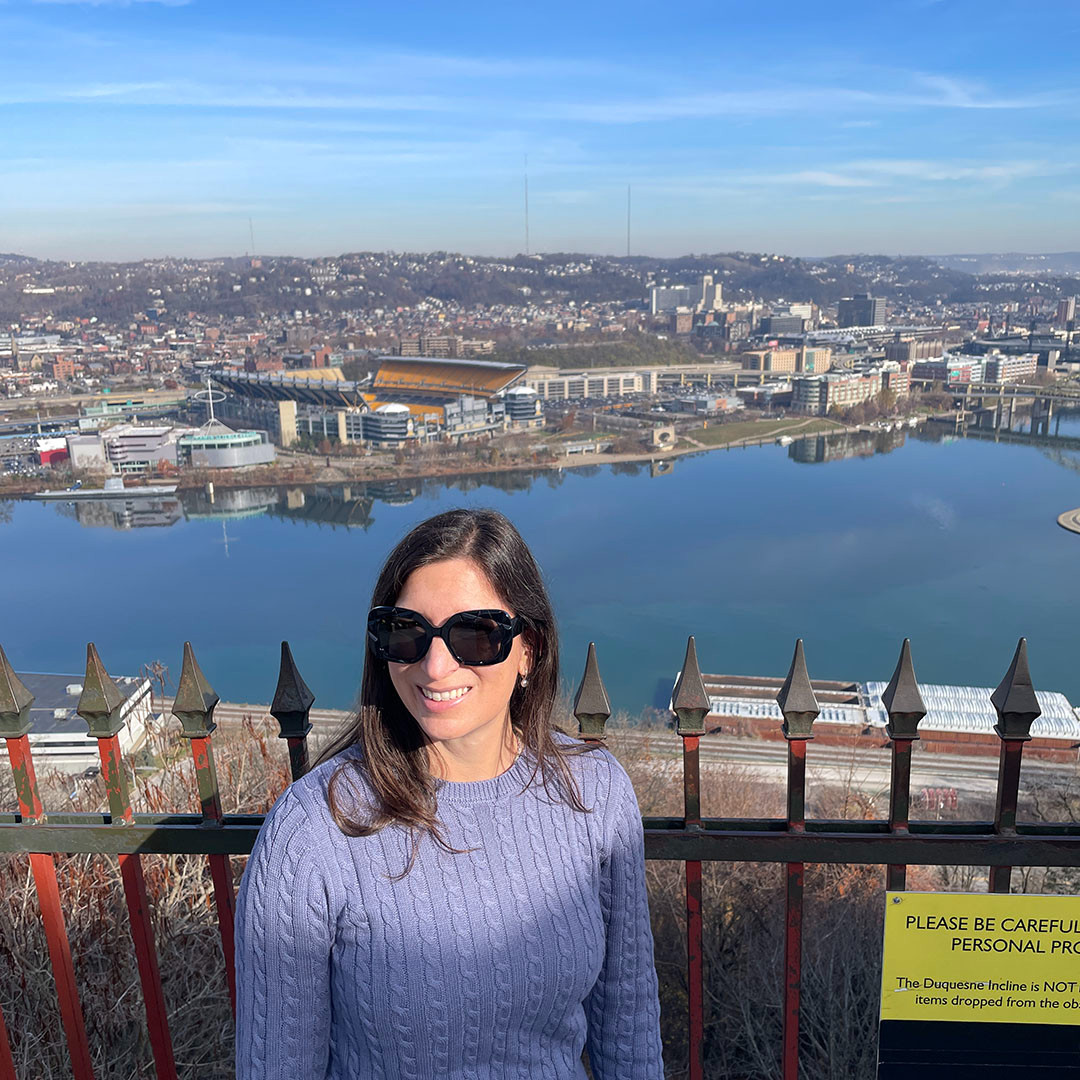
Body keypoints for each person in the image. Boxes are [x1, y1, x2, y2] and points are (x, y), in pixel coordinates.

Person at [234, 508, 663, 1079]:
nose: (435, 666)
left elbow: (629, 1028)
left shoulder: (595, 795)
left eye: (475, 635)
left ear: (529, 649)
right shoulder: (314, 833)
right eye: (407, 632)